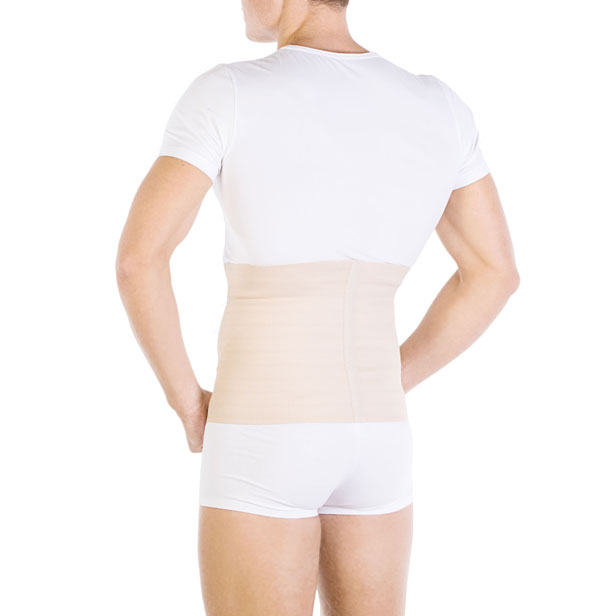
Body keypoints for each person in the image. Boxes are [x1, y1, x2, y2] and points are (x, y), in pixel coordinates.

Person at [115, 0, 519, 613]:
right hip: (380, 436)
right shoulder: (438, 104)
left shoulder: (228, 92)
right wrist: (393, 376)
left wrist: (188, 403)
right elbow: (494, 274)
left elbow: (139, 259)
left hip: (264, 428)